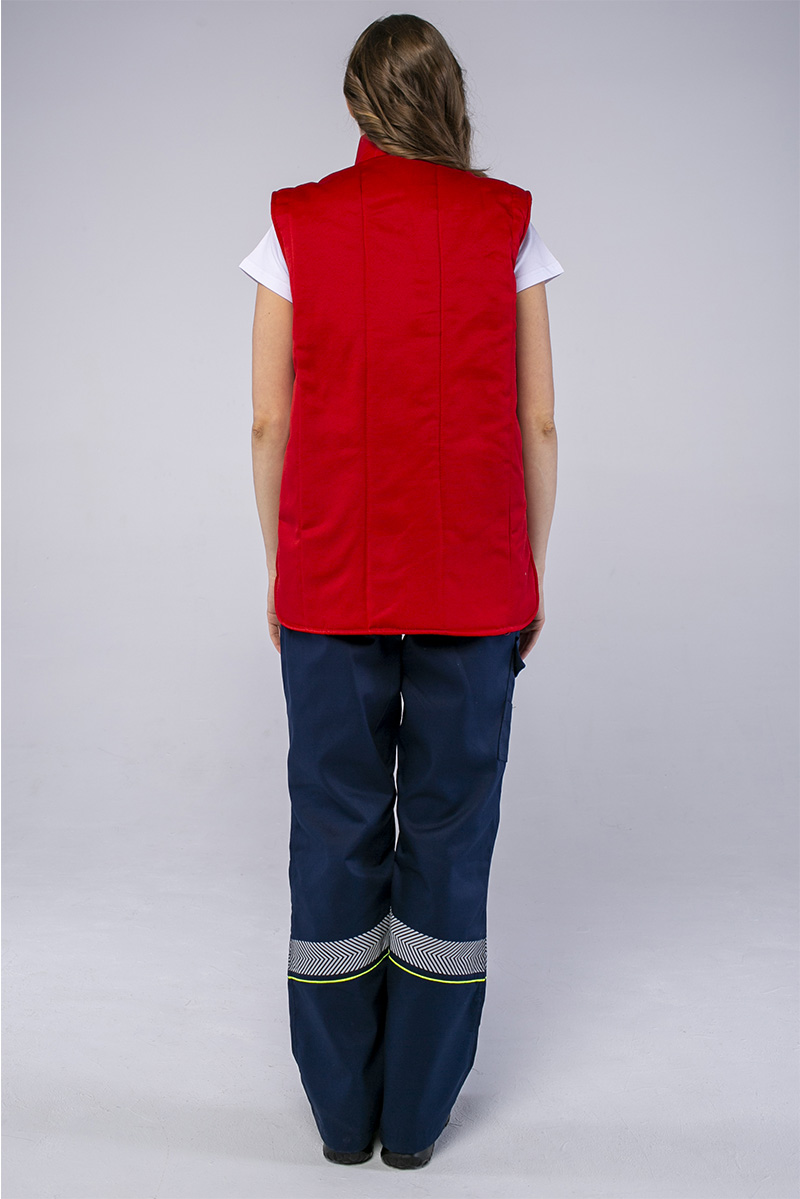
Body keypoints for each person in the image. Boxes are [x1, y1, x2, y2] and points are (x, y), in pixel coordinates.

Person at [239, 12, 562, 1171]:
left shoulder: (293, 225)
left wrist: (281, 570)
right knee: (448, 835)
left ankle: (340, 1120)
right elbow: (536, 419)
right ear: (450, 100)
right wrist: (527, 572)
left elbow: (268, 418)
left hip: (328, 582)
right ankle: (417, 1122)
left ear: (353, 105)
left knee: (333, 830)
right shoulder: (507, 224)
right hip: (476, 585)